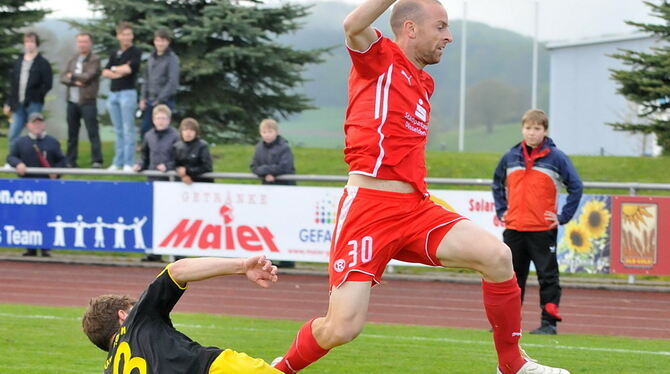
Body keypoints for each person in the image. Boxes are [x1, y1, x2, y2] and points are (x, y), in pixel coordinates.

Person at [272, 2, 570, 374]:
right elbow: (352, 24)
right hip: (369, 208)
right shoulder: (379, 57)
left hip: (414, 208)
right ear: (410, 28)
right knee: (342, 327)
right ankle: (278, 370)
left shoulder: (424, 82)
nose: (449, 36)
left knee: (497, 256)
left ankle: (511, 364)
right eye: (441, 26)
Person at [82, 255, 282, 374]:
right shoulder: (136, 320)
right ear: (123, 315)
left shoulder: (111, 369)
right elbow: (176, 271)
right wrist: (242, 266)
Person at [492, 109, 583, 335]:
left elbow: (576, 187)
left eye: (537, 129)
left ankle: (548, 323)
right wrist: (503, 209)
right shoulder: (510, 156)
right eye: (528, 128)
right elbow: (496, 183)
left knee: (548, 275)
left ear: (545, 131)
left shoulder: (557, 158)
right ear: (522, 129)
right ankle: (509, 325)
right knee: (511, 277)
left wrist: (562, 217)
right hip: (514, 228)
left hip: (542, 229)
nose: (532, 133)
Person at [6, 112, 66, 257]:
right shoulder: (21, 142)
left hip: (47, 187)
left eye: (40, 123)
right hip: (27, 186)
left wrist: (56, 172)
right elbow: (11, 157)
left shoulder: (52, 142)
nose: (37, 126)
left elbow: (62, 160)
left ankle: (45, 247)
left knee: (45, 215)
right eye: (34, 123)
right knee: (28, 215)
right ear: (28, 126)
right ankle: (30, 247)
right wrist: (18, 164)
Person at [134, 104, 179, 262]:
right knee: (154, 217)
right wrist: (140, 165)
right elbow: (145, 156)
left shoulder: (175, 135)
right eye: (158, 118)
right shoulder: (149, 135)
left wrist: (168, 166)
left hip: (170, 183)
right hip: (153, 182)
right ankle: (154, 253)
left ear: (169, 120)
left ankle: (177, 253)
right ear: (153, 119)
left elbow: (180, 158)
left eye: (164, 118)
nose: (161, 121)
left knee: (172, 217)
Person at [60, 32, 103, 168]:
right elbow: (62, 77)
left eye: (85, 41)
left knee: (92, 132)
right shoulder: (73, 59)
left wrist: (71, 76)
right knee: (72, 133)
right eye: (80, 42)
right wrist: (74, 80)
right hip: (72, 101)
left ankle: (96, 160)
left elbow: (88, 76)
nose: (82, 44)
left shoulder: (94, 59)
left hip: (87, 100)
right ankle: (70, 160)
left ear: (90, 43)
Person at [103, 22, 142, 172]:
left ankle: (129, 162)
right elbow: (105, 72)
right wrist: (117, 71)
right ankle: (118, 162)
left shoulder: (135, 52)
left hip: (128, 93)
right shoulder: (115, 53)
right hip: (113, 94)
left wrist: (115, 70)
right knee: (118, 129)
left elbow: (129, 69)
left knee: (128, 128)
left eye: (129, 34)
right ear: (118, 36)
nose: (127, 37)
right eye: (124, 34)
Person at [3, 31, 53, 149]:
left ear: (36, 44)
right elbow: (13, 84)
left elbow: (48, 84)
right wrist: (8, 102)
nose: (29, 44)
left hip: (34, 103)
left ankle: (36, 160)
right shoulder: (18, 62)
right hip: (17, 104)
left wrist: (37, 96)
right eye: (27, 42)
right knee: (14, 133)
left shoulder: (43, 63)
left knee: (36, 133)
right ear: (24, 44)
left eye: (32, 42)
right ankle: (13, 160)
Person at [139, 28, 180, 140]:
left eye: (163, 41)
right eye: (158, 40)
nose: (160, 43)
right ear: (154, 42)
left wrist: (160, 99)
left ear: (168, 42)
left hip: (165, 101)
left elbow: (172, 82)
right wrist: (142, 98)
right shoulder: (151, 58)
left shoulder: (172, 59)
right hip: (149, 100)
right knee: (146, 130)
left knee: (163, 132)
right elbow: (146, 79)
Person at [250, 119, 296, 186]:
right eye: (264, 132)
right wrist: (265, 174)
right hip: (266, 187)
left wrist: (272, 174)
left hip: (285, 187)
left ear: (277, 132)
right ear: (260, 133)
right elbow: (253, 167)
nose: (267, 135)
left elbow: (285, 167)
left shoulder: (284, 147)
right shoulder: (258, 148)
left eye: (270, 132)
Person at [174, 117, 214, 184]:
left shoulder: (202, 146)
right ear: (181, 132)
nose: (188, 133)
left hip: (202, 184)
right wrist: (184, 175)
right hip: (182, 185)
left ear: (196, 132)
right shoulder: (177, 147)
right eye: (185, 130)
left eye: (191, 130)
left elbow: (207, 167)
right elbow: (174, 164)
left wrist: (188, 171)